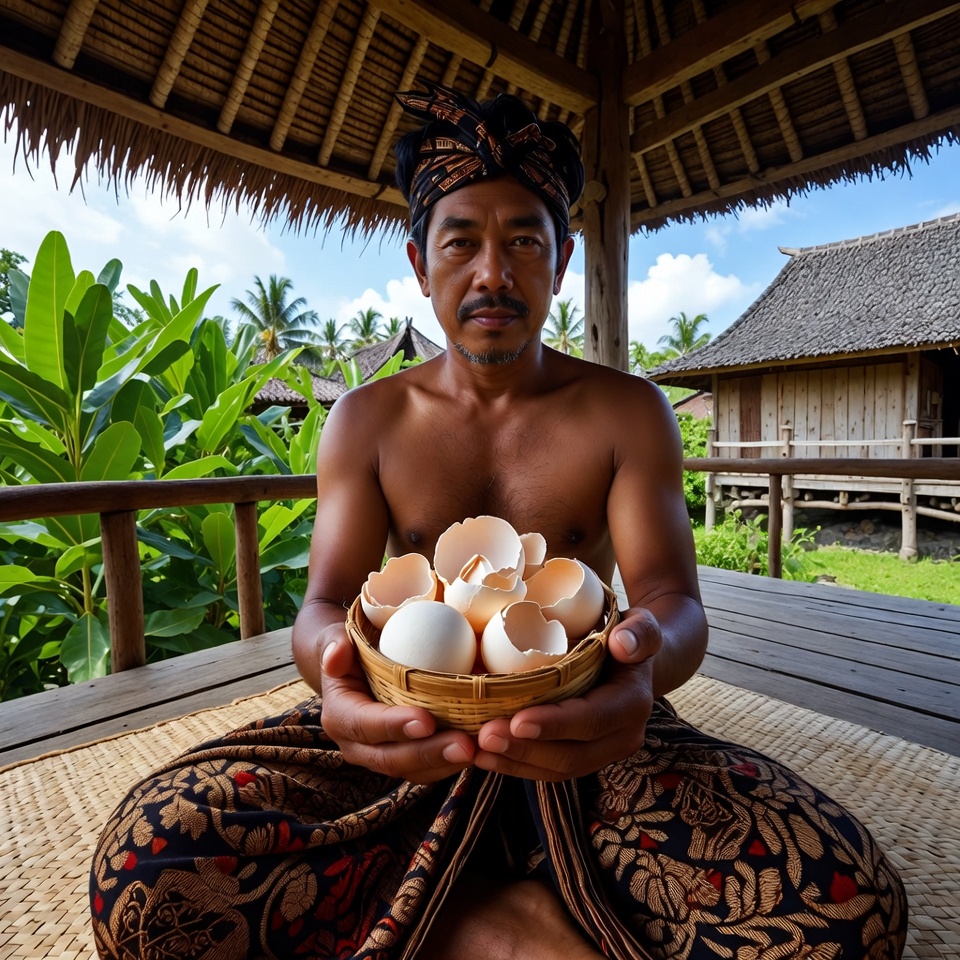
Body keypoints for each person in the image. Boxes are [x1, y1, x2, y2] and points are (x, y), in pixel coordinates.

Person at [90, 83, 906, 959]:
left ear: (558, 264)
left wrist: (641, 674)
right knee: (148, 874)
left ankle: (442, 908)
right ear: (418, 264)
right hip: (407, 737)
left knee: (848, 907)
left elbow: (673, 599)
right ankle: (502, 915)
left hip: (582, 732)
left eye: (523, 241)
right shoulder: (367, 419)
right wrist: (335, 686)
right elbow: (326, 604)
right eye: (463, 243)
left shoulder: (626, 412)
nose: (493, 273)